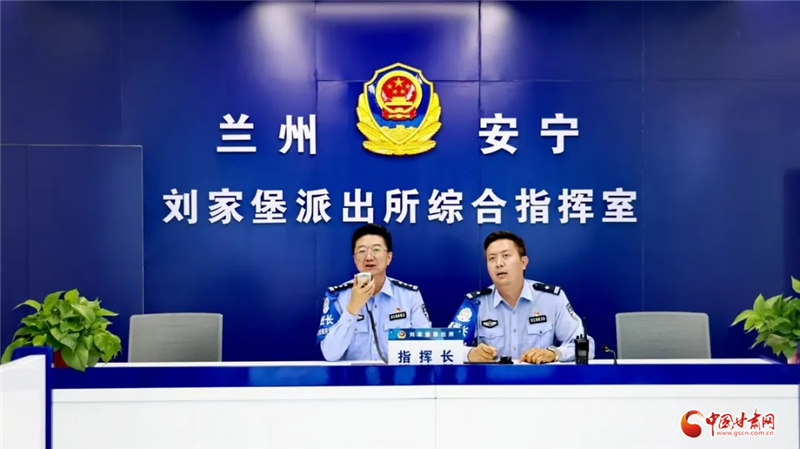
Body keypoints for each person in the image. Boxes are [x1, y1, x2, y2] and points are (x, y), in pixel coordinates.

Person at [448, 231, 595, 364]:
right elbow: (446, 347)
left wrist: (554, 353)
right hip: (492, 382)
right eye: (492, 258)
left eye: (506, 256)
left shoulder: (551, 299)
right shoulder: (476, 303)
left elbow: (586, 346)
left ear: (523, 262)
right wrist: (470, 354)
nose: (499, 263)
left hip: (540, 381)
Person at [317, 224, 432, 362]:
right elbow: (330, 354)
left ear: (389, 257)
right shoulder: (337, 297)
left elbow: (427, 345)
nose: (369, 257)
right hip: (354, 376)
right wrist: (352, 308)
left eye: (376, 250)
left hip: (398, 375)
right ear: (355, 259)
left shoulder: (409, 296)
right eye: (362, 251)